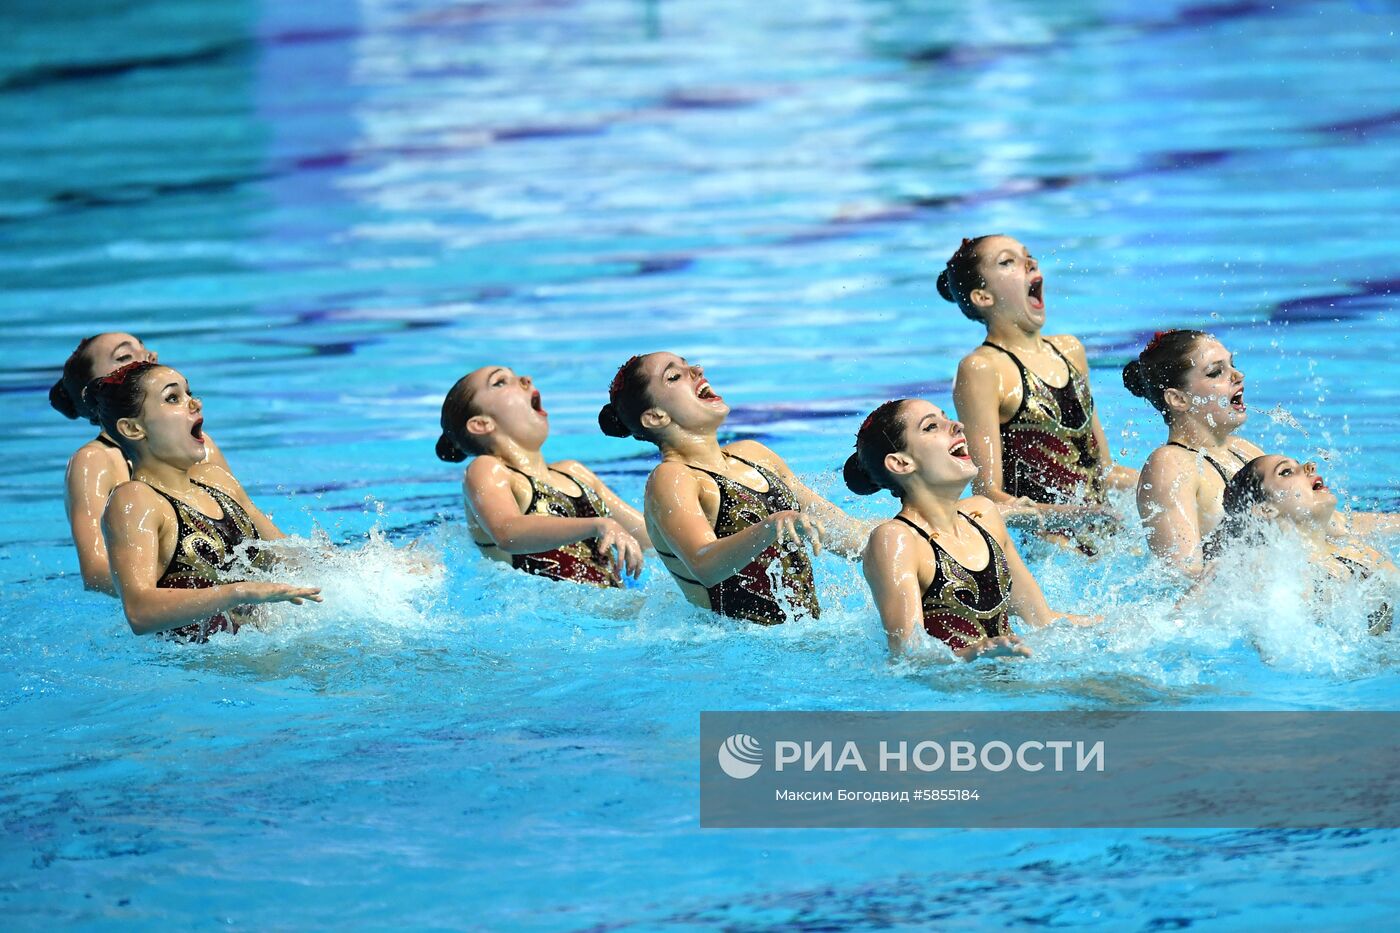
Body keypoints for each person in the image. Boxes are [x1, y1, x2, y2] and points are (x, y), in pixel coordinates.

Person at [599, 352, 871, 625]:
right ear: (655, 417)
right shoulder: (672, 478)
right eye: (674, 376)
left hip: (800, 638)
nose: (697, 370)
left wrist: (905, 530)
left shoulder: (754, 455)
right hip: (735, 646)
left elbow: (847, 534)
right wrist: (772, 525)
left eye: (689, 365)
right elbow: (704, 565)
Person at [90, 361, 320, 640]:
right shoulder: (135, 500)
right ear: (133, 429)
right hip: (198, 667)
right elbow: (140, 611)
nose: (194, 403)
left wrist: (360, 565)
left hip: (260, 647)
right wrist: (238, 591)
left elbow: (282, 551)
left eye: (189, 393)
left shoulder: (216, 481)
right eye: (173, 398)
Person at [849, 398, 1094, 658]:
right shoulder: (897, 540)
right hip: (956, 695)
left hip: (1010, 677)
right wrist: (975, 653)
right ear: (901, 463)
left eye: (947, 418)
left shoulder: (984, 515)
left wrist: (1118, 625)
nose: (957, 425)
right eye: (931, 427)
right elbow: (908, 657)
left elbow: (1041, 620)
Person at [942, 236, 1136, 548]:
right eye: (1007, 261)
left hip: (1104, 532)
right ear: (982, 296)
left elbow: (1103, 470)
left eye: (1028, 256)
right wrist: (1072, 517)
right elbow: (989, 494)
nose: (1030, 263)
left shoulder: (1070, 350)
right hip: (1047, 547)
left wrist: (1169, 483)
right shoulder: (982, 369)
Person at [50, 332, 233, 593]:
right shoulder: (95, 460)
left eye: (144, 349)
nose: (149, 357)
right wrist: (190, 579)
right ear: (94, 390)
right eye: (124, 356)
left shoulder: (200, 445)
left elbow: (243, 526)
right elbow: (94, 571)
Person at [438, 365, 649, 588]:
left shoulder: (574, 472)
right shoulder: (488, 469)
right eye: (500, 381)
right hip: (549, 614)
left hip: (606, 609)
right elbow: (507, 532)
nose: (526, 379)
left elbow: (649, 538)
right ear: (481, 424)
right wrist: (599, 525)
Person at [1125, 329, 1266, 577]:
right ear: (1178, 399)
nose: (1238, 375)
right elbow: (1182, 577)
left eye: (1232, 365)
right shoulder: (1170, 464)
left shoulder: (1243, 449)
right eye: (1216, 372)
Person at [1207, 455, 1393, 634]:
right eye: (1286, 471)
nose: (1310, 466)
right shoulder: (1266, 568)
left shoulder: (1355, 552)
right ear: (1266, 509)